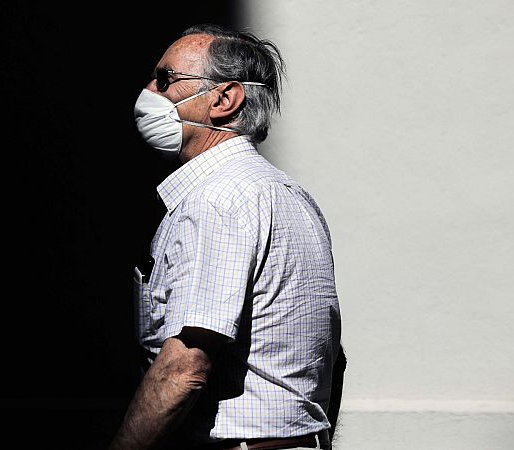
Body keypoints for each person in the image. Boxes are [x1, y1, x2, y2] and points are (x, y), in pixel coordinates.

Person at [109, 23, 345, 450]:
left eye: (165, 79)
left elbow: (184, 368)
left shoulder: (217, 200)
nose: (149, 91)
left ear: (224, 99)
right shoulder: (289, 195)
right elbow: (333, 359)